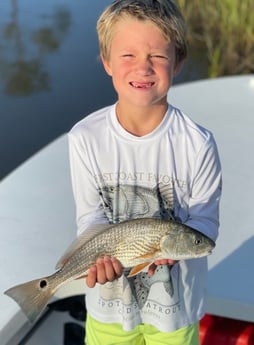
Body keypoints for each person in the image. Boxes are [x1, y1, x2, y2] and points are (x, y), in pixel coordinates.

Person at [68, 0, 222, 344]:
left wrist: (186, 238)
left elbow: (205, 223)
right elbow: (90, 218)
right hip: (108, 307)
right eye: (128, 55)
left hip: (175, 310)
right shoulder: (85, 138)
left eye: (158, 56)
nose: (143, 68)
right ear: (106, 61)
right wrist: (98, 260)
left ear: (178, 63)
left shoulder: (197, 144)